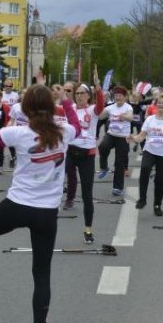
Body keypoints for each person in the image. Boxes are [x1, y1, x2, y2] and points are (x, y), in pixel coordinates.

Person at [0, 85, 81, 323]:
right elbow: (79, 127)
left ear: (25, 108)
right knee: (42, 274)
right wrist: (67, 101)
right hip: (47, 213)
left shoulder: (19, 133)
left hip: (17, 205)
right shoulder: (65, 132)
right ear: (52, 108)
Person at [64, 81, 105, 244]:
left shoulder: (92, 110)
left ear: (88, 95)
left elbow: (101, 104)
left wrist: (98, 88)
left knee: (87, 194)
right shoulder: (70, 109)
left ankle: (88, 229)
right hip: (70, 152)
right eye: (77, 93)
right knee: (57, 179)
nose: (79, 96)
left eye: (83, 93)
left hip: (87, 155)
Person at [131, 93, 163, 216]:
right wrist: (133, 138)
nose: (161, 105)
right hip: (150, 150)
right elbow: (141, 136)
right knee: (145, 168)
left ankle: (157, 205)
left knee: (160, 180)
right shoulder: (150, 119)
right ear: (155, 104)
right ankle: (142, 199)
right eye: (159, 103)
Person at [96, 86, 133, 196]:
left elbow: (131, 117)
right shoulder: (110, 107)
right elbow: (100, 116)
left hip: (123, 137)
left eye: (120, 96)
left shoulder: (128, 107)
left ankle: (118, 187)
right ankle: (104, 167)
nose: (118, 98)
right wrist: (98, 107)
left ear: (125, 97)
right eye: (116, 96)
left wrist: (124, 116)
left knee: (119, 163)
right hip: (111, 134)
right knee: (102, 147)